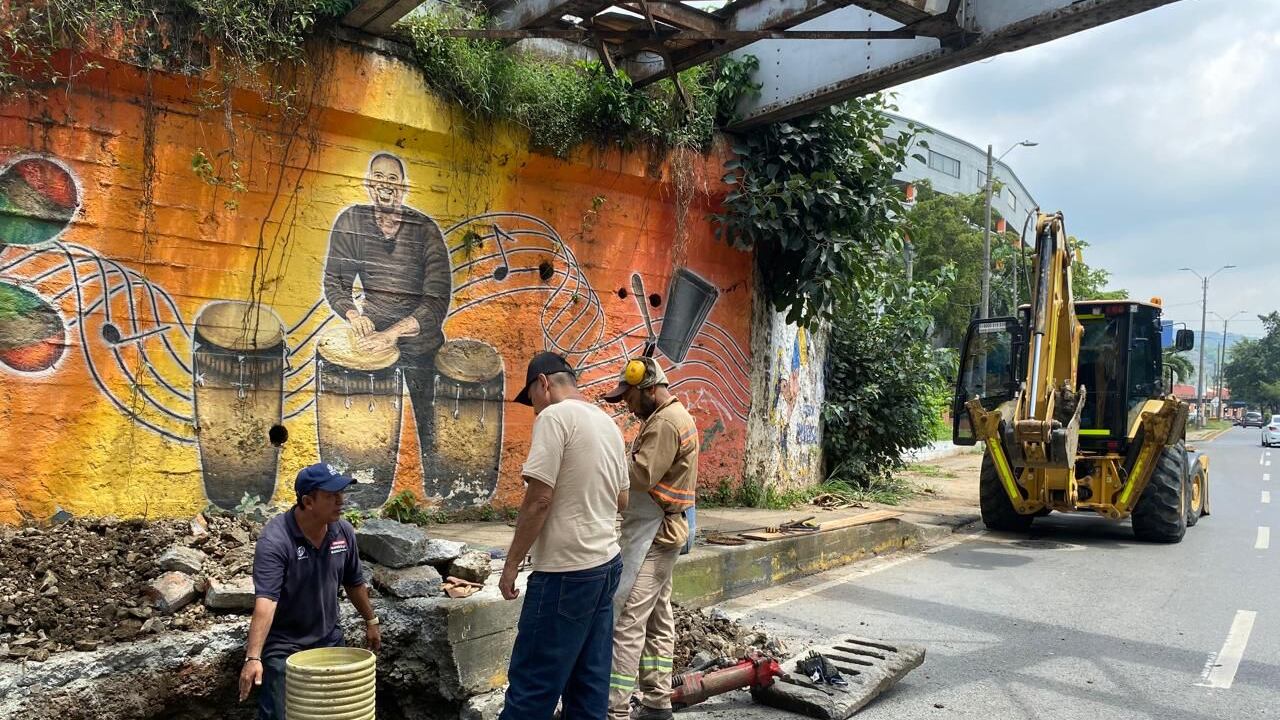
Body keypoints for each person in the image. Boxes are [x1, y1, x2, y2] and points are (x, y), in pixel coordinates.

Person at [496, 352, 629, 720]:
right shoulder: (607, 423)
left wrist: (511, 565)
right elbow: (623, 499)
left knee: (531, 689)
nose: (535, 410)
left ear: (543, 383)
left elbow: (539, 500)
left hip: (565, 573)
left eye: (532, 400)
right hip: (605, 565)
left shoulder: (554, 417)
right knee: (589, 687)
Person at [323, 152, 452, 494]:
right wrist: (354, 315)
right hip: (372, 342)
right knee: (364, 421)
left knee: (429, 421)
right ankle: (364, 490)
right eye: (378, 177)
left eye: (393, 179)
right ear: (368, 184)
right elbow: (335, 281)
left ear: (405, 187)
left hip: (419, 343)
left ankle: (436, 490)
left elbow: (436, 301)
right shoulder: (352, 221)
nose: (385, 185)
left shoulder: (425, 230)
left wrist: (392, 334)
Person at [238, 463, 382, 719]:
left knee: (339, 713)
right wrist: (253, 658)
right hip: (284, 646)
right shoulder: (276, 540)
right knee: (281, 713)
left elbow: (353, 582)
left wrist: (371, 621)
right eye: (331, 496)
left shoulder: (343, 532)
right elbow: (266, 602)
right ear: (308, 501)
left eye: (341, 493)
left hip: (329, 640)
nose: (341, 501)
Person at [603, 357, 698, 720]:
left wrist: (605, 463)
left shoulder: (665, 423)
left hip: (654, 534)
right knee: (658, 617)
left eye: (630, 398)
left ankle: (613, 709)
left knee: (627, 618)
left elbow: (641, 477)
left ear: (649, 388)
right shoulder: (670, 417)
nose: (628, 406)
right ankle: (657, 701)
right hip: (663, 531)